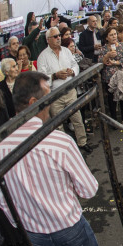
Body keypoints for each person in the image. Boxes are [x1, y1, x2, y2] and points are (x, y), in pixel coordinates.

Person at [0, 72, 123, 246]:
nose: (50, 101)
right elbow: (89, 189)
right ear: (32, 103)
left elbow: (4, 203)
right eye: (46, 96)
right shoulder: (58, 141)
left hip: (35, 232)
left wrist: (23, 222)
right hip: (69, 225)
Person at [37, 27, 92, 155]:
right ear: (48, 40)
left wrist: (73, 72)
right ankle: (64, 149)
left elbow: (75, 65)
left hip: (70, 90)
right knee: (58, 124)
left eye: (59, 36)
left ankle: (82, 142)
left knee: (77, 118)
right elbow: (42, 78)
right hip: (55, 95)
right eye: (55, 36)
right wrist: (55, 76)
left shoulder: (66, 51)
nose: (58, 38)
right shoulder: (43, 57)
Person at [100, 27, 123, 125]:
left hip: (121, 76)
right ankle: (113, 121)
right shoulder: (104, 49)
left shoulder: (122, 45)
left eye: (115, 34)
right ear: (107, 38)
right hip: (109, 77)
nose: (114, 36)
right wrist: (107, 55)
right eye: (111, 35)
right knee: (111, 101)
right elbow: (101, 62)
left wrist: (116, 62)